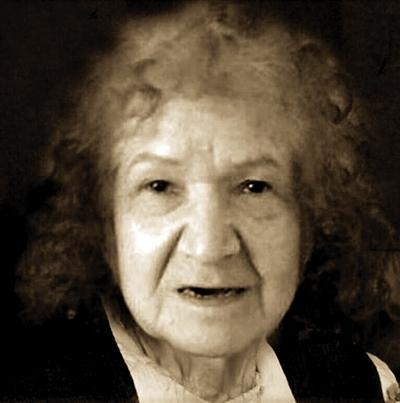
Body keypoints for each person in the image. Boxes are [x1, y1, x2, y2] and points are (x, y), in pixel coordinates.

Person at [5, 1, 399, 402]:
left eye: (254, 187)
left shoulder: (365, 385)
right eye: (160, 186)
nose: (209, 246)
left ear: (309, 221)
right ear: (106, 228)